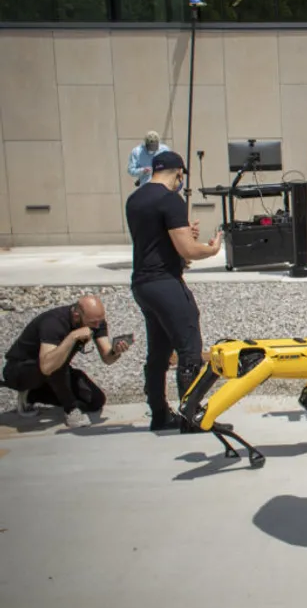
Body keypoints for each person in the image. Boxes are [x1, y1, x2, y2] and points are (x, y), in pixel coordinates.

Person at [124, 151, 222, 430]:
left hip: (142, 283)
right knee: (189, 349)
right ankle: (191, 418)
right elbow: (188, 251)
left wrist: (180, 232)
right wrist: (211, 249)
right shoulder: (170, 200)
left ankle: (158, 413)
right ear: (179, 173)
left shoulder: (135, 199)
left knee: (157, 353)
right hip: (165, 282)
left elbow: (155, 239)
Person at [2, 295, 129, 427]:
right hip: (21, 370)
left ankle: (31, 395)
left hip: (55, 371)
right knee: (57, 363)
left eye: (100, 321)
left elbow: (107, 358)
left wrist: (116, 351)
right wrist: (72, 336)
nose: (97, 326)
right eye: (93, 322)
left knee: (95, 401)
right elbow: (47, 366)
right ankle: (71, 409)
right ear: (76, 315)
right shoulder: (53, 323)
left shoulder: (95, 321)